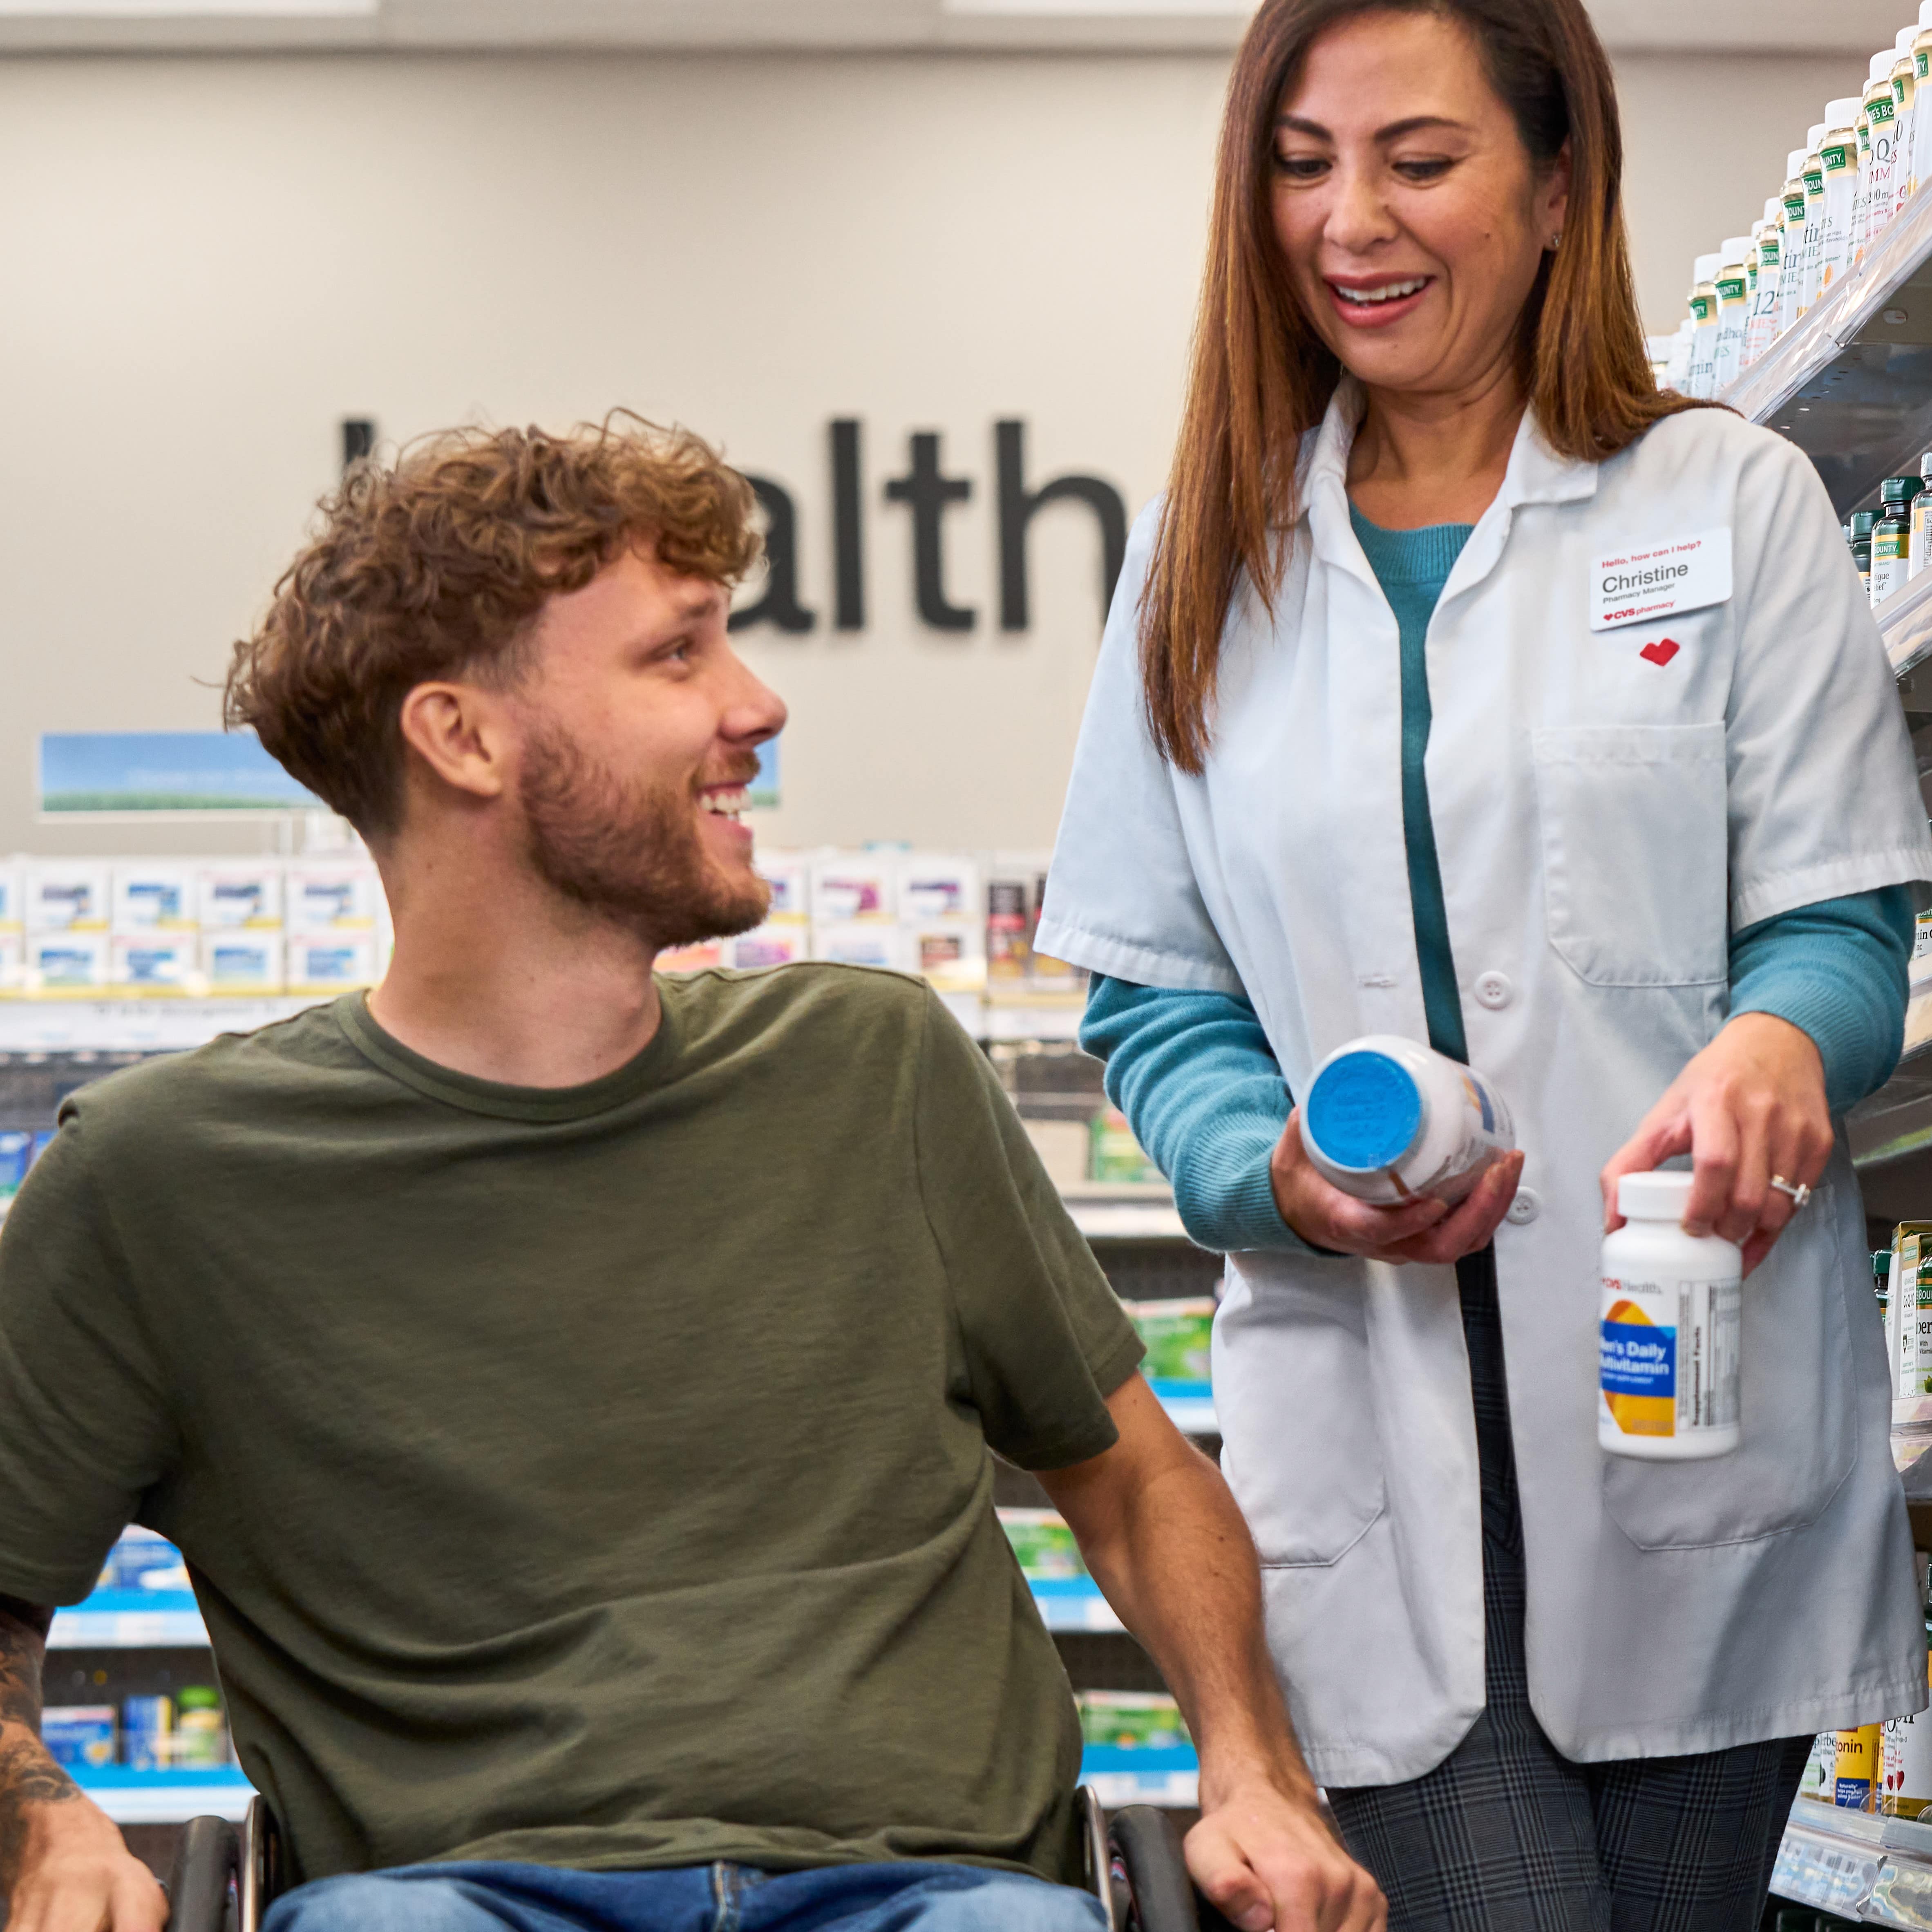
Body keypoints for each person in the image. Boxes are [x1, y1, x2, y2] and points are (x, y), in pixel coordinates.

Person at [0, 418, 1384, 1932]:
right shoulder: (161, 1181)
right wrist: (44, 1814)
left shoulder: (877, 1067)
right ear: (462, 737)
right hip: (455, 1901)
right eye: (679, 658)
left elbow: (1132, 1483)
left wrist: (1257, 1773)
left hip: (939, 1893)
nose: (757, 706)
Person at [1035, 4, 1932, 1930]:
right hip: (1365, 1462)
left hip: (1698, 1437)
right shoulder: (1211, 554)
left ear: (1554, 190)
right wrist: (1265, 1170)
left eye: (1418, 161)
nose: (1348, 219)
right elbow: (1156, 995)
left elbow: (1844, 919)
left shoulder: (1727, 507)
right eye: (1301, 162)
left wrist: (1783, 1037)